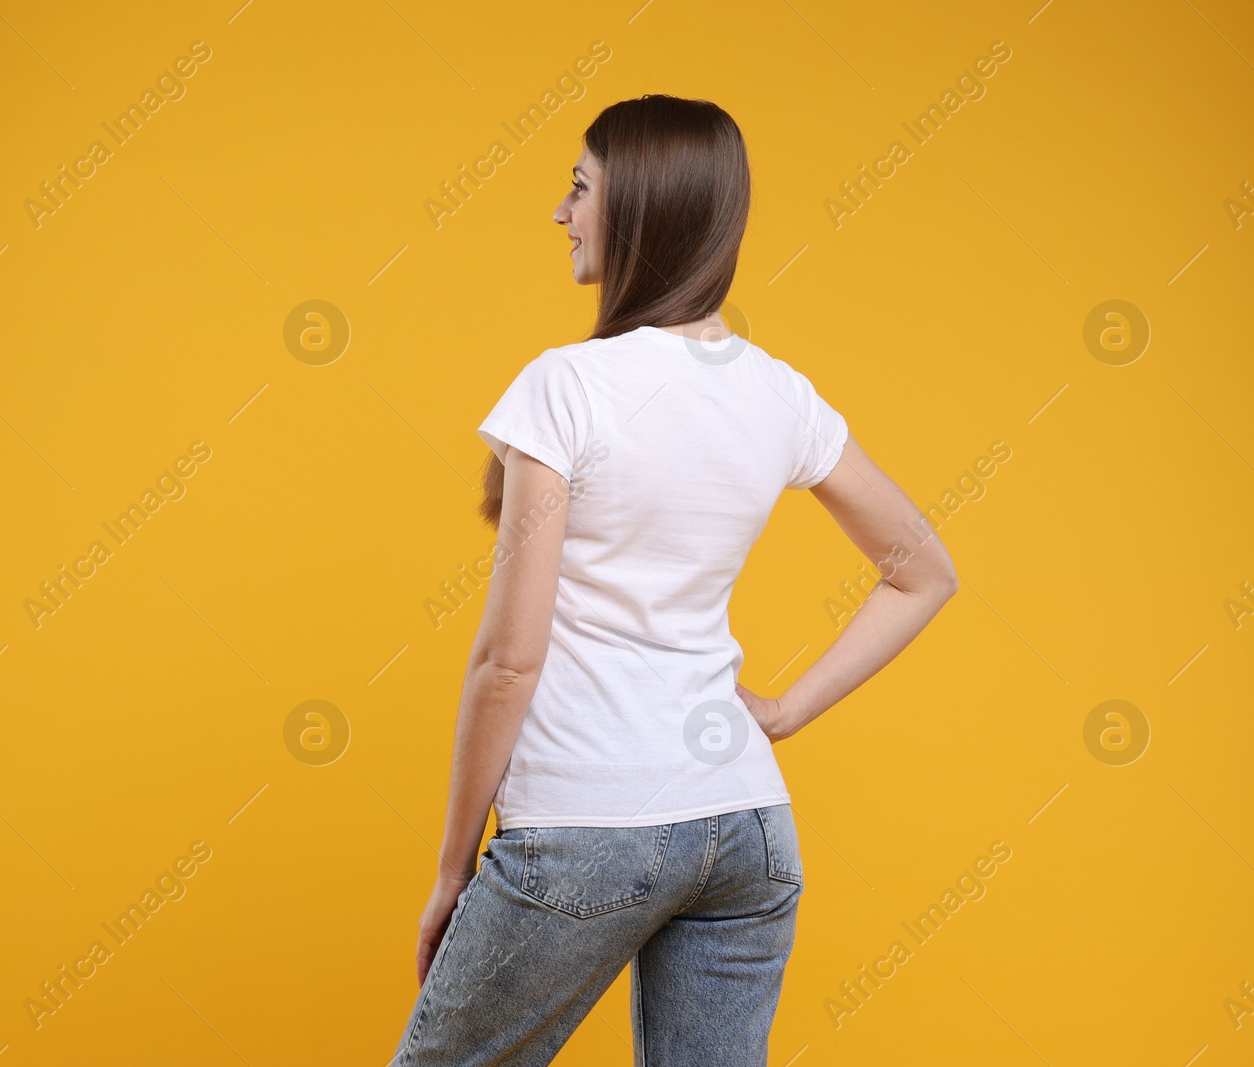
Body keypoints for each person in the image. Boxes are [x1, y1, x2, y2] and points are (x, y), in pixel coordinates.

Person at [387, 94, 958, 1066]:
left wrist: (453, 867)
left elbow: (508, 659)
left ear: (640, 205)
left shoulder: (565, 385)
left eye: (578, 187)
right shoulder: (779, 392)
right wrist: (777, 713)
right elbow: (923, 573)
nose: (560, 213)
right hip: (744, 825)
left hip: (586, 819)